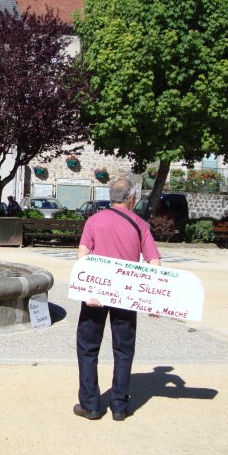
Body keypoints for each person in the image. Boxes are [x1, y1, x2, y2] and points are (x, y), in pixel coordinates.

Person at [73, 179, 161, 421]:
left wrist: (87, 290)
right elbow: (154, 262)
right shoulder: (140, 224)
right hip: (127, 295)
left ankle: (90, 404)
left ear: (110, 196)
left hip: (96, 294)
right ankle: (119, 406)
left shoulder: (94, 220)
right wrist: (153, 299)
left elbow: (83, 255)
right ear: (131, 199)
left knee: (88, 348)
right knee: (123, 350)